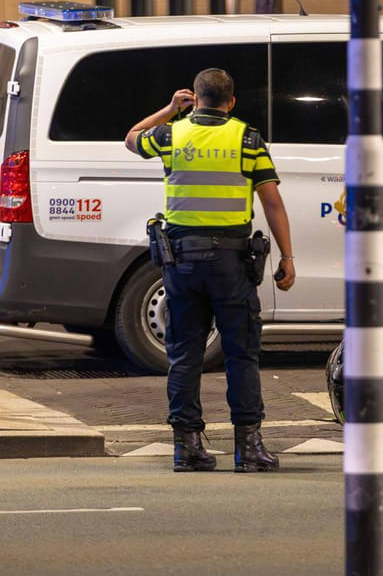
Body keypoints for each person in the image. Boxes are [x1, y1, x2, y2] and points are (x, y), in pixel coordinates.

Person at [124, 68, 296, 473]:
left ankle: (187, 448)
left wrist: (170, 109)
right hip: (232, 266)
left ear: (196, 99)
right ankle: (248, 448)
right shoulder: (247, 140)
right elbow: (272, 202)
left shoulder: (171, 134)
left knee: (184, 355)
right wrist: (287, 257)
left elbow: (131, 137)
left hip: (182, 264)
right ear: (231, 101)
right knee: (241, 355)